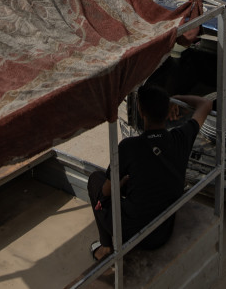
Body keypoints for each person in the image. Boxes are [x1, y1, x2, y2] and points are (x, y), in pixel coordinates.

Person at [87, 86, 211, 262]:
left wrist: (118, 185)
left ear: (141, 111)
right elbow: (206, 104)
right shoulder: (181, 137)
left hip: (133, 234)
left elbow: (106, 192)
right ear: (167, 110)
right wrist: (176, 98)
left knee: (95, 181)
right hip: (161, 233)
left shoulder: (129, 147)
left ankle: (105, 247)